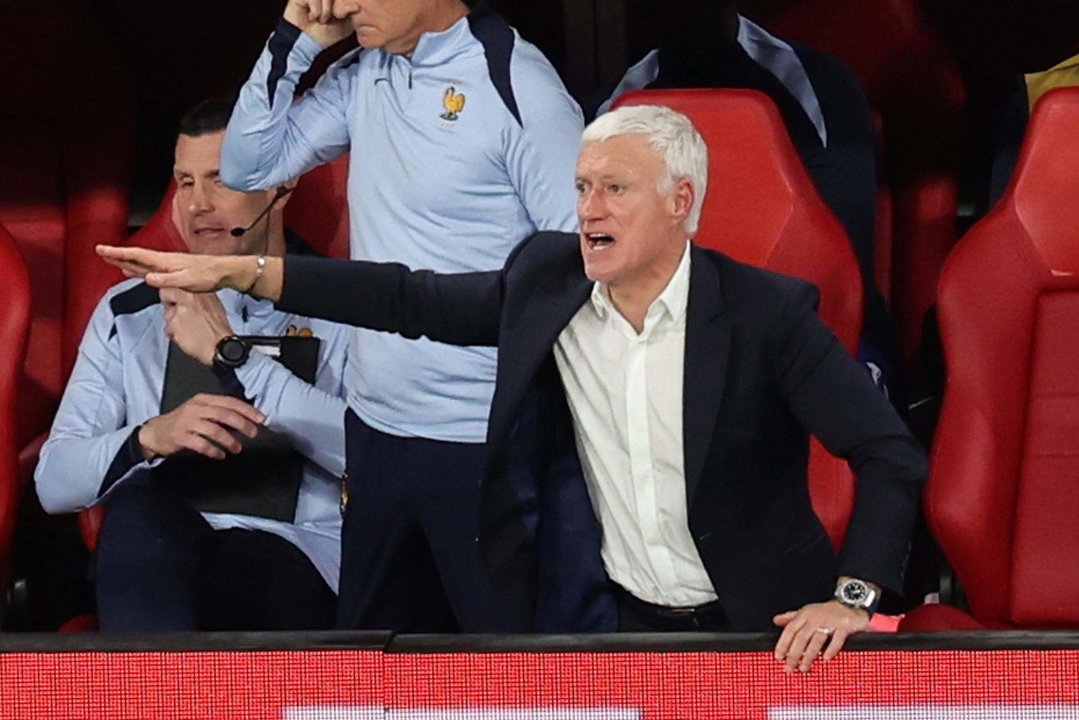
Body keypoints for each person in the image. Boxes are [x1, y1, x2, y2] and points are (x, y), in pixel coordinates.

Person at [99, 105, 926, 670]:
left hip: (764, 627)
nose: (587, 209)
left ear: (681, 203)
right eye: (580, 186)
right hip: (611, 625)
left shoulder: (764, 315)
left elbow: (887, 454)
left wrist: (850, 599)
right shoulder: (547, 282)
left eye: (613, 188)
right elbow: (403, 297)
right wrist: (240, 270)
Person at [216, 0, 585, 632]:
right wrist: (296, 39)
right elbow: (247, 166)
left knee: (504, 681)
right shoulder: (364, 71)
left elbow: (578, 267)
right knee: (370, 677)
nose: (346, 2)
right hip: (376, 432)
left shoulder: (521, 87)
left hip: (483, 442)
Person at [37, 99, 351, 632]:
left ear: (282, 185)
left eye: (221, 180)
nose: (197, 205)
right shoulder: (129, 311)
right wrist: (149, 437)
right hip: (159, 554)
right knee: (138, 513)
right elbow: (54, 483)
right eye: (184, 183)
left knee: (244, 560)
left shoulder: (347, 308)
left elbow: (371, 452)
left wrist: (237, 359)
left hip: (293, 563)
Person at [595, 0, 901, 401]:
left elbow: (838, 265)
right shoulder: (621, 104)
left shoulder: (815, 85)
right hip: (663, 339)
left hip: (820, 338)